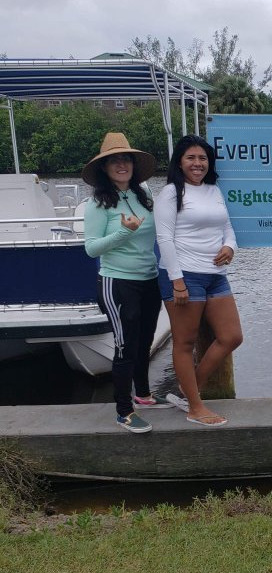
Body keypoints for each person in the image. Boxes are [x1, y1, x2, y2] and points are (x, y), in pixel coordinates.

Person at [83, 133, 172, 433]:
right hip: (116, 283)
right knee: (124, 347)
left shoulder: (143, 194)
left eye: (126, 158)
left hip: (149, 280)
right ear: (104, 167)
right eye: (114, 160)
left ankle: (143, 395)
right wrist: (123, 233)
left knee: (145, 341)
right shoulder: (97, 203)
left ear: (133, 164)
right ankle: (123, 410)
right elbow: (91, 248)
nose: (122, 164)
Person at [154, 135, 243, 427]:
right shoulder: (170, 192)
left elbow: (227, 227)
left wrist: (230, 246)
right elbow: (164, 238)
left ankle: (187, 388)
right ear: (180, 161)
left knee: (232, 336)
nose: (197, 163)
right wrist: (177, 281)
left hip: (216, 275)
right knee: (184, 342)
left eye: (202, 158)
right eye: (191, 158)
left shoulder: (213, 190)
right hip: (184, 276)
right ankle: (195, 407)